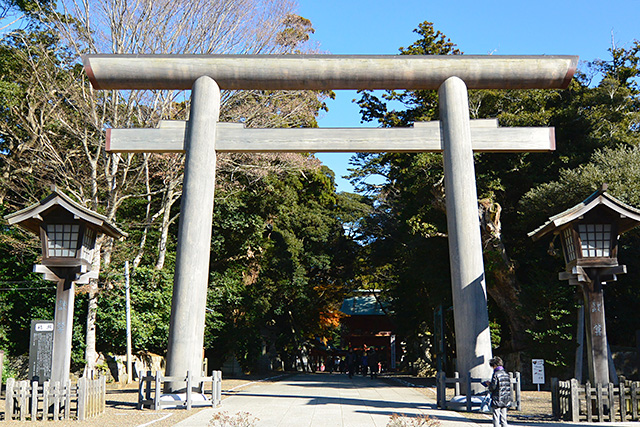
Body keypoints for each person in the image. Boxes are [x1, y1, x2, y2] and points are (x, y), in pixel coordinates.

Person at [482, 357, 511, 427]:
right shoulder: (506, 374)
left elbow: (493, 387)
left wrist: (489, 384)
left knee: (496, 416)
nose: (492, 368)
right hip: (506, 398)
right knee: (504, 418)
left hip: (497, 398)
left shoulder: (496, 374)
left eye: (492, 366)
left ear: (495, 365)